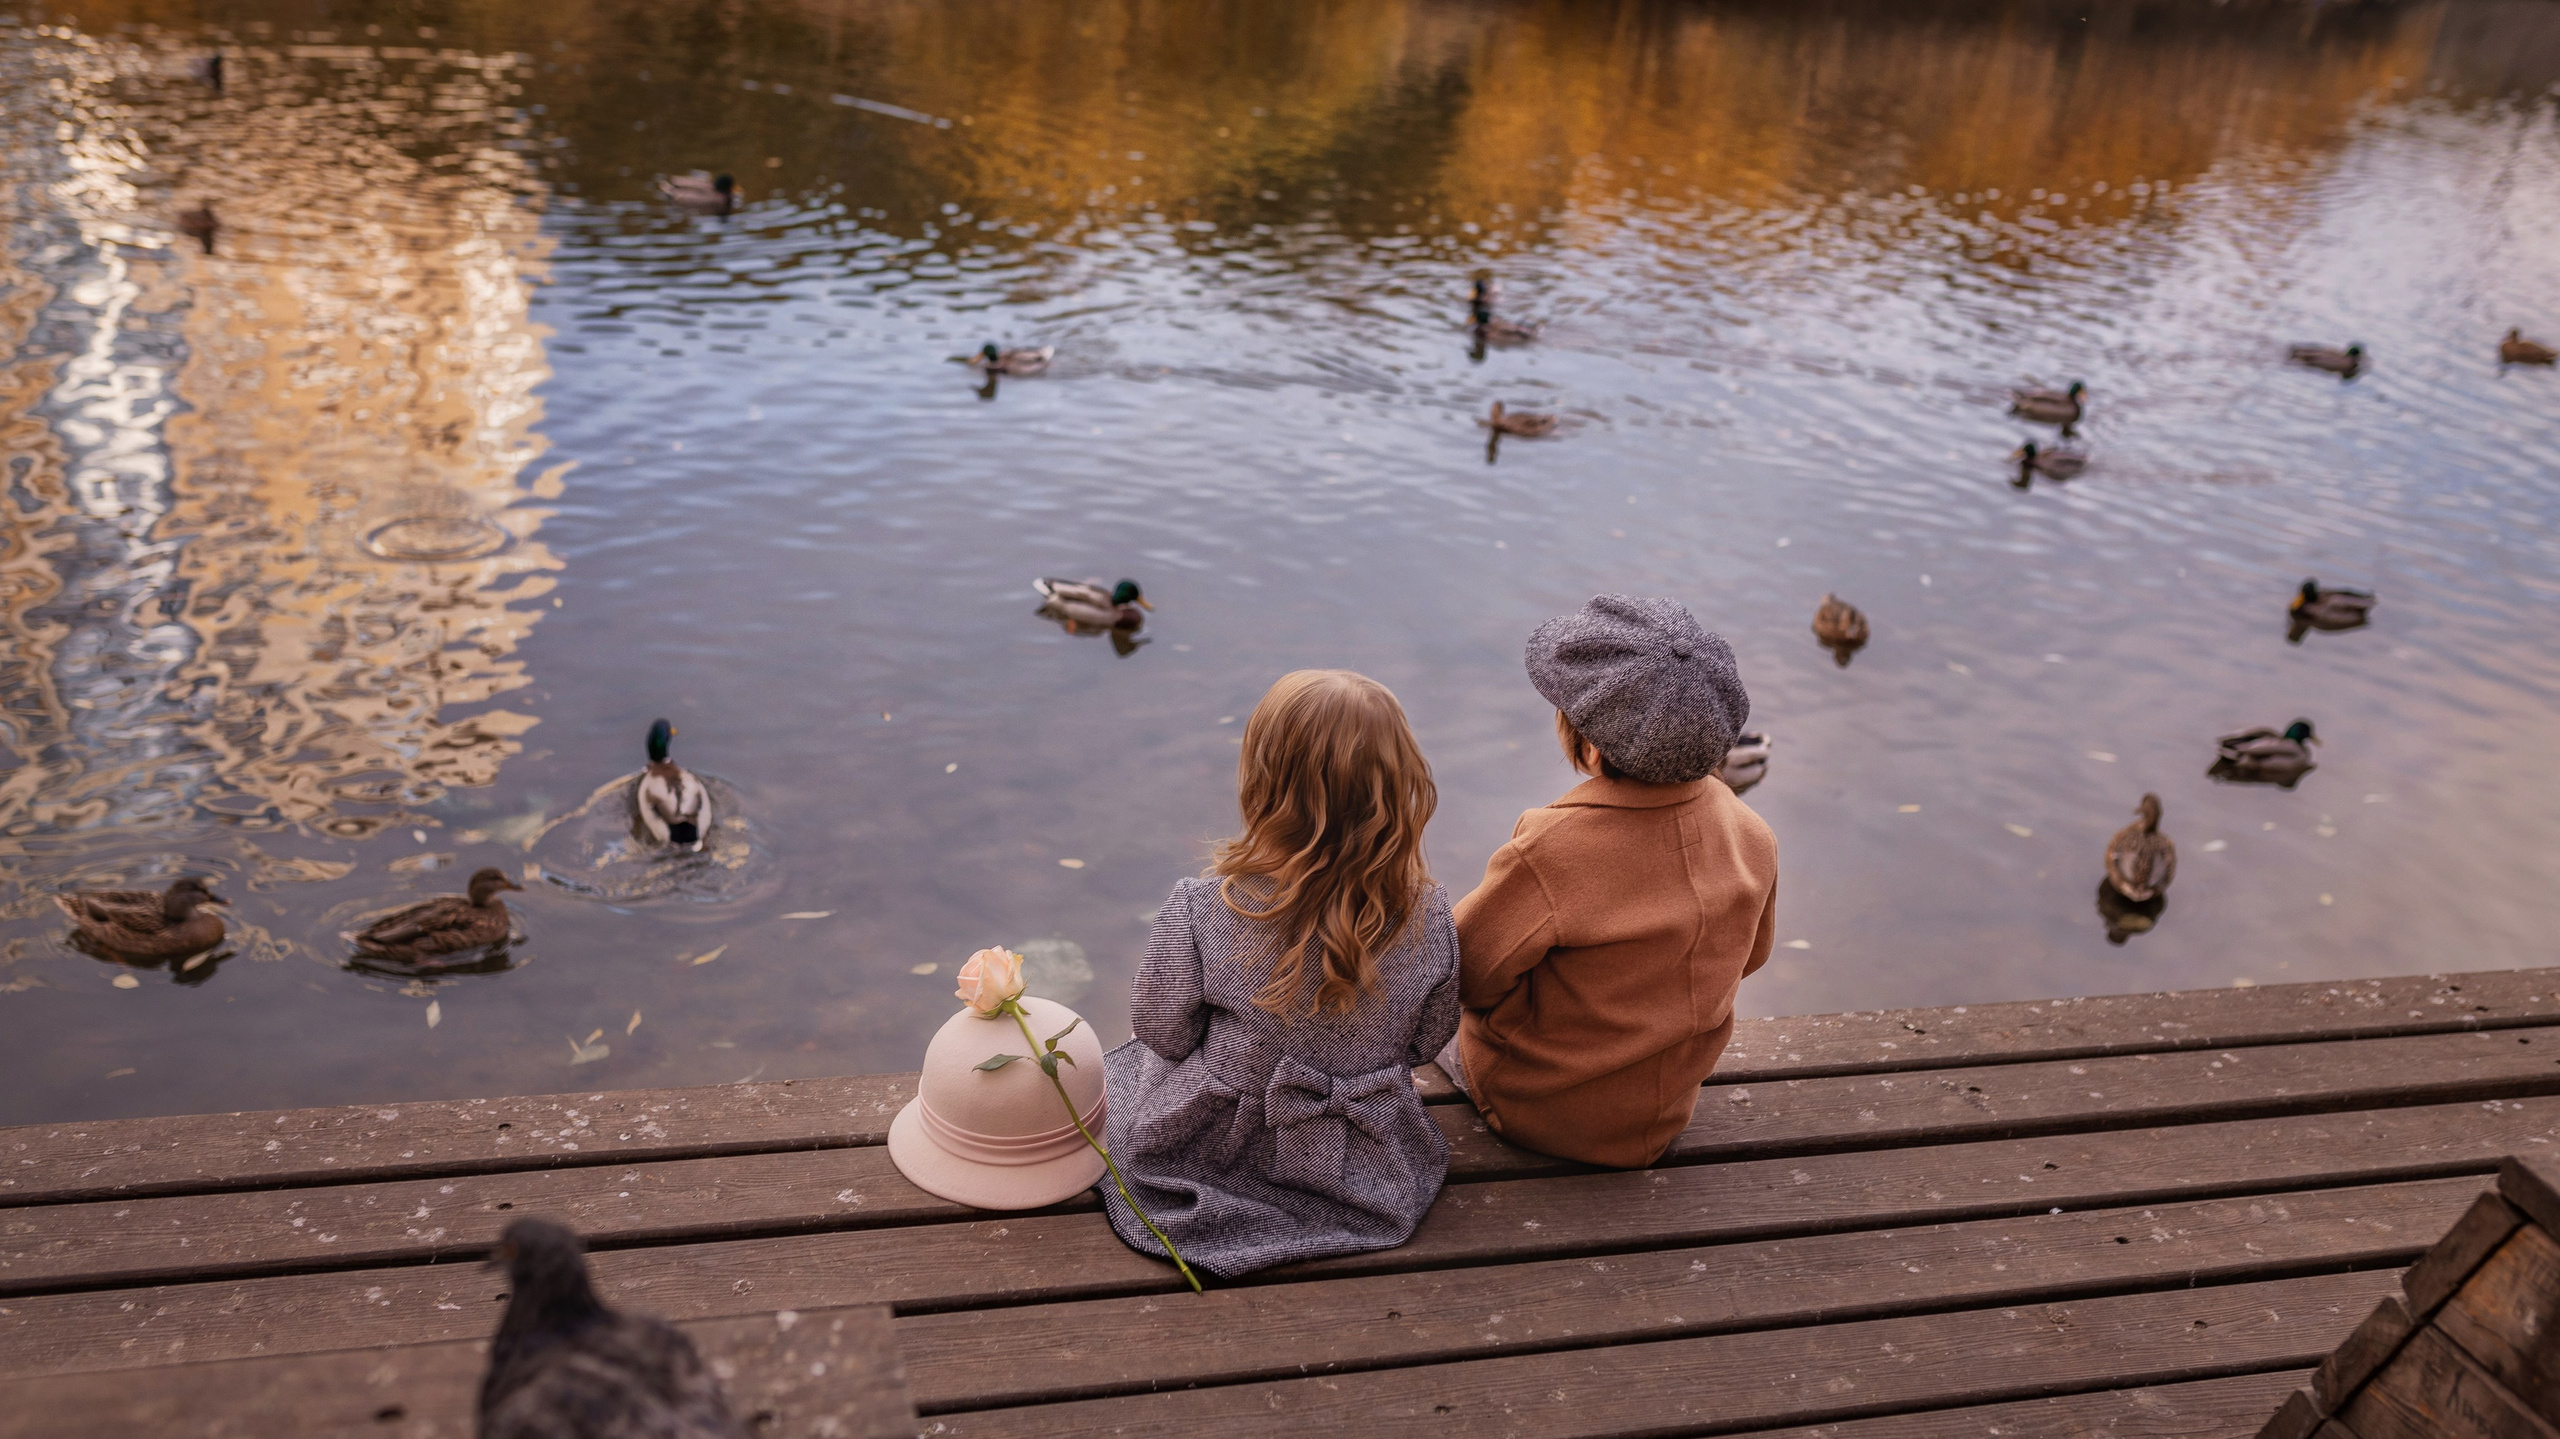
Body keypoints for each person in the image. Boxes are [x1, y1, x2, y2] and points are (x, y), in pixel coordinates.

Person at [1097, 670, 1461, 1278]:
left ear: (1263, 781)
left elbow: (1162, 1032)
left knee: (1134, 1070)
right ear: (1400, 789)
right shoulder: (1432, 916)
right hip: (1364, 1152)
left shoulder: (1202, 905)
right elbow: (1426, 1043)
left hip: (1219, 1147)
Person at [1440, 595, 1778, 1168]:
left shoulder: (1553, 848)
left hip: (1540, 1110)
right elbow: (1751, 956)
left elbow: (1468, 974)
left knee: (1421, 1027)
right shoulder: (1751, 833)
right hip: (1666, 1106)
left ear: (1591, 746)